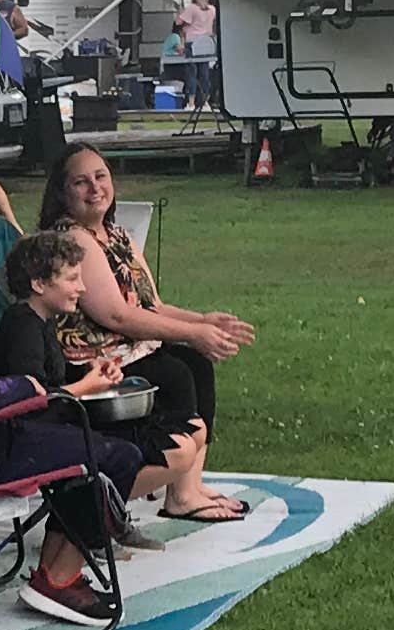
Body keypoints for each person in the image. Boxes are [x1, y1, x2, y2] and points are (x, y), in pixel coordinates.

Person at [36, 142, 251, 520]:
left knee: (195, 363)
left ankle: (189, 485)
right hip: (92, 361)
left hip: (126, 348)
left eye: (101, 177)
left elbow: (151, 305)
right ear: (62, 193)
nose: (95, 188)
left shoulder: (116, 235)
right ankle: (180, 494)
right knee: (175, 373)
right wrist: (190, 333)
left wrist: (202, 322)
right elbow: (115, 316)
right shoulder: (74, 238)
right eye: (81, 182)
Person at [0, 227, 226, 532]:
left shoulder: (40, 319)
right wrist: (87, 386)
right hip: (39, 437)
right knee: (179, 449)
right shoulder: (23, 327)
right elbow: (31, 398)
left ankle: (98, 518)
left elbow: (49, 376)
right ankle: (91, 517)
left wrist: (92, 368)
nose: (82, 288)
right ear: (39, 284)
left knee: (193, 430)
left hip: (60, 424)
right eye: (72, 279)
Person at [0, 312, 145, 630]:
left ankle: (51, 576)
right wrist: (23, 386)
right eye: (73, 282)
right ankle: (60, 580)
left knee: (87, 448)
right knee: (119, 457)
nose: (81, 289)